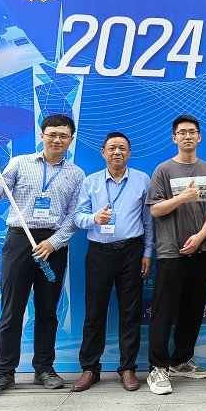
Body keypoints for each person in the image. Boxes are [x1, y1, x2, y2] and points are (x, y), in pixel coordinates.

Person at [0, 114, 85, 399]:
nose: (57, 140)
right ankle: (4, 371)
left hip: (53, 245)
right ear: (42, 135)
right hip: (19, 240)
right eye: (52, 134)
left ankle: (44, 368)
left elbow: (74, 216)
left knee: (48, 310)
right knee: (12, 309)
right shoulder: (19, 163)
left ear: (70, 140)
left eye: (63, 136)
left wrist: (53, 243)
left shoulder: (76, 174)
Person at [145, 115, 206, 395]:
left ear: (200, 137)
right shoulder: (163, 170)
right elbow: (155, 210)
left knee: (193, 309)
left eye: (192, 132)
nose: (187, 136)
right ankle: (157, 367)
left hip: (201, 250)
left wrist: (202, 235)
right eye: (182, 132)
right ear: (174, 138)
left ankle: (180, 360)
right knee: (164, 310)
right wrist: (182, 198)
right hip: (171, 252)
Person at [72, 132, 154, 392]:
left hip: (132, 252)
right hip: (99, 253)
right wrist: (94, 219)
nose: (117, 152)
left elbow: (148, 221)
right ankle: (90, 369)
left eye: (122, 148)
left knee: (130, 312)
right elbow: (78, 217)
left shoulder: (142, 180)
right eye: (112, 148)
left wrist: (147, 252)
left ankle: (127, 368)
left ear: (129, 152)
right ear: (103, 152)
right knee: (94, 312)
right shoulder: (91, 181)